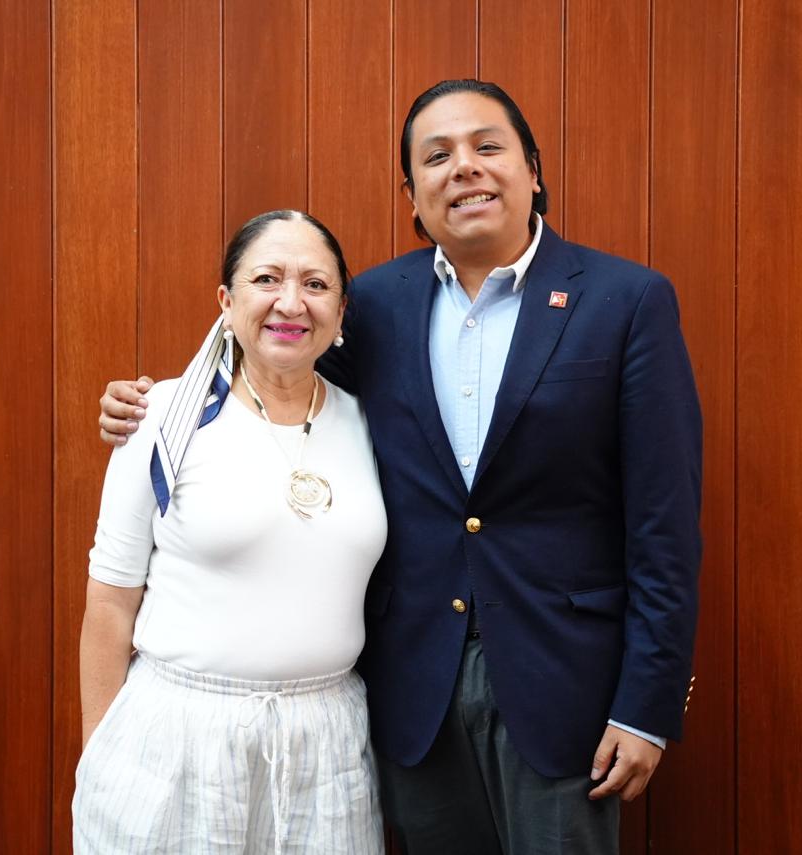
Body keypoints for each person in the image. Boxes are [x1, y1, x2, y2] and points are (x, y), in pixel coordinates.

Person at [99, 80, 702, 855]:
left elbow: (664, 525)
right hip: (414, 686)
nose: (465, 167)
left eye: (487, 146)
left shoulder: (626, 300)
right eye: (437, 156)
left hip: (564, 687)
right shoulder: (377, 303)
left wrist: (646, 704)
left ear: (532, 169)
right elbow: (276, 361)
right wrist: (158, 401)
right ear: (413, 196)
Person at [74, 210, 388, 854]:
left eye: (316, 284)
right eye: (266, 279)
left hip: (327, 744)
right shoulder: (161, 417)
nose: (290, 303)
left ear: (340, 311)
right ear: (226, 301)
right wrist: (100, 758)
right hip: (179, 737)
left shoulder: (373, 424)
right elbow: (109, 602)